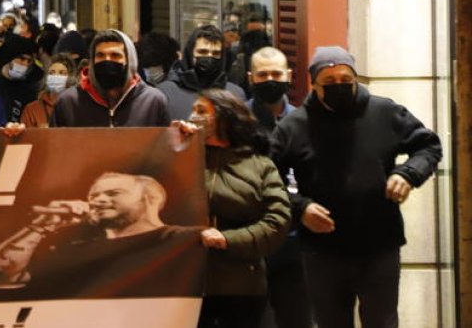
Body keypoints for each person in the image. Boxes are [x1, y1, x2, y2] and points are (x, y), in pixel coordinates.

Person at [270, 46, 441, 328]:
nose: (339, 87)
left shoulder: (385, 112)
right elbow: (268, 178)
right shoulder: (293, 126)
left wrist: (408, 174)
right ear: (315, 85)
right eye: (330, 83)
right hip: (322, 251)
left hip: (379, 245)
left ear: (355, 79)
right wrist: (300, 207)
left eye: (345, 81)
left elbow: (429, 146)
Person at [0, 172, 201, 297]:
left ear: (152, 198)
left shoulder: (182, 239)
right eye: (94, 196)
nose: (98, 200)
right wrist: (40, 227)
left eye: (113, 193)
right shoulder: (72, 250)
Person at [179, 89, 291, 328]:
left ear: (225, 118)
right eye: (193, 110)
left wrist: (227, 240)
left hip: (241, 288)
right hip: (189, 286)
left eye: (202, 111)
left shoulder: (260, 166)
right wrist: (171, 143)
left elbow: (277, 223)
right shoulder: (185, 157)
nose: (192, 115)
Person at [243, 47, 312, 328]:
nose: (270, 79)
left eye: (276, 74)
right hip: (252, 238)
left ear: (289, 76)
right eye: (262, 75)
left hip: (297, 240)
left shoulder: (305, 120)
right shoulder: (237, 121)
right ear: (250, 77)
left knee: (297, 317)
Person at [49, 30, 171, 128]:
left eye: (115, 55)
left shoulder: (152, 101)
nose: (107, 60)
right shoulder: (69, 102)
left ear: (129, 62)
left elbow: (166, 151)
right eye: (100, 55)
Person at [158, 25, 247, 121]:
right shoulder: (165, 92)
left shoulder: (235, 94)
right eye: (203, 52)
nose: (209, 57)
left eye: (216, 53)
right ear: (190, 54)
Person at [0, 33, 43, 127]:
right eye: (21, 59)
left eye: (29, 61)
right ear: (9, 58)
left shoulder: (29, 91)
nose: (25, 64)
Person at [20, 54, 77, 128]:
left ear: (70, 78)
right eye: (52, 73)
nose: (56, 76)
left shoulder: (77, 108)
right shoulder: (31, 110)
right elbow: (27, 138)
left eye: (62, 73)